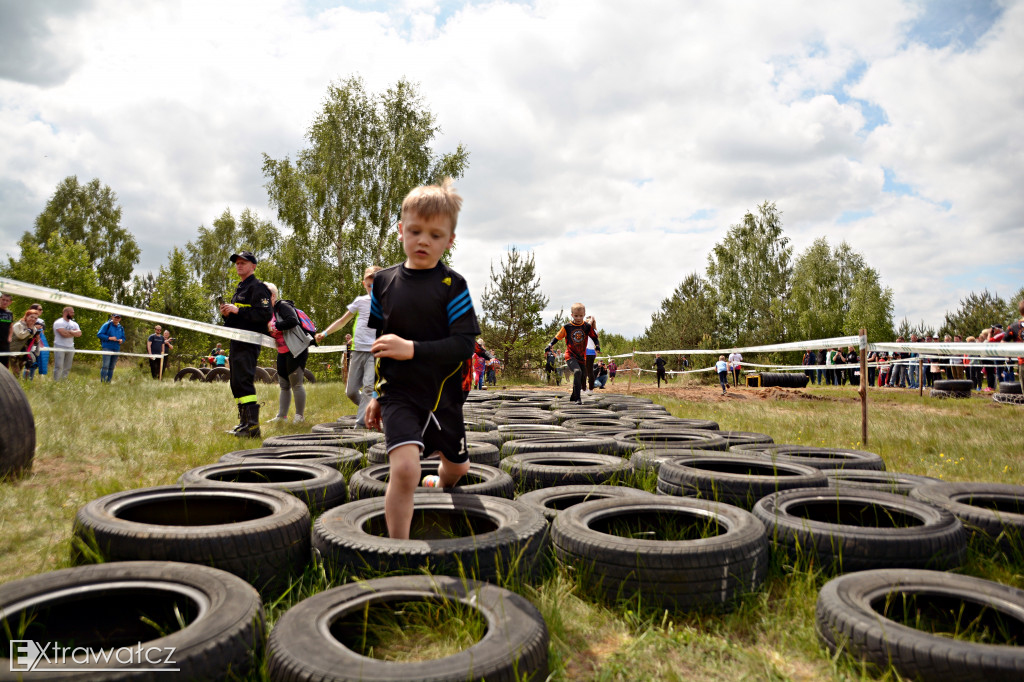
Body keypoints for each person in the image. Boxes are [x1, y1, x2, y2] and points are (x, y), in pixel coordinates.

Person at [363, 178, 480, 540]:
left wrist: (411, 348)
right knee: (404, 471)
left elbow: (464, 345)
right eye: (414, 231)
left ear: (449, 240)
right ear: (401, 231)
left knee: (459, 469)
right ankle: (398, 549)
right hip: (399, 394)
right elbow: (381, 349)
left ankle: (440, 479)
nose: (423, 241)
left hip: (444, 395)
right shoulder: (382, 283)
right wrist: (377, 396)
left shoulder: (453, 285)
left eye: (434, 234)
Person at [317, 265, 382, 428]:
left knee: (368, 387)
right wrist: (324, 333)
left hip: (375, 352)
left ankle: (360, 426)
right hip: (358, 351)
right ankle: (373, 410)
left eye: (377, 285)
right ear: (364, 284)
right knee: (351, 391)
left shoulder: (387, 302)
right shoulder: (360, 301)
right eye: (369, 285)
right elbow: (342, 321)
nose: (373, 289)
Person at [220, 251, 273, 437]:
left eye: (243, 262)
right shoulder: (240, 288)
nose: (239, 265)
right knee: (236, 382)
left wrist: (238, 311)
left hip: (249, 342)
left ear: (253, 266)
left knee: (244, 381)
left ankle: (253, 427)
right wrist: (227, 314)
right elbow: (238, 317)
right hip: (236, 340)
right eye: (237, 263)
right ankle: (243, 423)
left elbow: (264, 315)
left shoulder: (258, 288)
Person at [265, 282, 311, 424]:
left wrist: (275, 326)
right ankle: (282, 416)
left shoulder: (283, 306)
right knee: (284, 384)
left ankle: (299, 417)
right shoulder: (269, 312)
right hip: (282, 351)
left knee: (296, 384)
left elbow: (293, 321)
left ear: (272, 296)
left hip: (296, 350)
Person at [544, 303, 600, 404]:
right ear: (572, 315)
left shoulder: (586, 326)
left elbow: (594, 337)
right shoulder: (567, 327)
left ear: (584, 314)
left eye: (581, 316)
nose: (578, 318)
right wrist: (549, 345)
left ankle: (573, 395)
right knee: (577, 372)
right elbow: (557, 337)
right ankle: (578, 398)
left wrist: (597, 346)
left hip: (582, 357)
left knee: (583, 376)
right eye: (576, 316)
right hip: (570, 355)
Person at [52, 306, 81, 380]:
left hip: (71, 347)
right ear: (66, 312)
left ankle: (63, 381)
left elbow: (79, 334)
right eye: (72, 312)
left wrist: (70, 332)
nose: (73, 314)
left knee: (67, 366)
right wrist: (73, 332)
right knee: (59, 366)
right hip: (59, 346)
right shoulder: (59, 322)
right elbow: (63, 334)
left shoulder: (74, 324)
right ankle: (56, 382)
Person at [96, 314, 126, 383]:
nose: (117, 319)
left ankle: (108, 382)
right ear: (112, 317)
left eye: (118, 317)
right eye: (115, 317)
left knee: (112, 366)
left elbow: (124, 337)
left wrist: (122, 340)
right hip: (107, 347)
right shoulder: (107, 325)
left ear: (120, 319)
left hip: (116, 348)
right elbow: (99, 334)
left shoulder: (121, 327)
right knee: (106, 365)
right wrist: (109, 338)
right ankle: (103, 381)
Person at [584, 316, 598, 392]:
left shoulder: (587, 330)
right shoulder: (595, 331)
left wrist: (591, 320)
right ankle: (590, 389)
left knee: (586, 371)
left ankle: (585, 388)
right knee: (589, 371)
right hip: (591, 352)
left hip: (587, 352)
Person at [0, 292, 13, 369]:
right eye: (3, 299)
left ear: (10, 302)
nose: (4, 302)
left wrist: (10, 337)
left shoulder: (10, 313)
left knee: (4, 366)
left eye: (7, 300)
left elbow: (11, 326)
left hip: (5, 344)